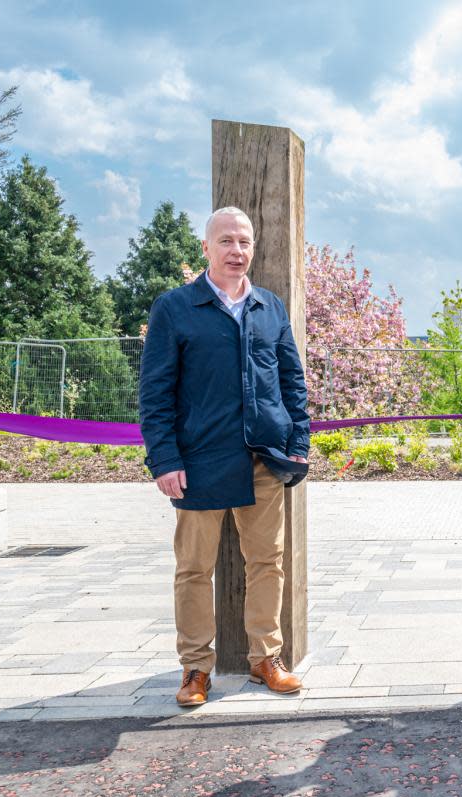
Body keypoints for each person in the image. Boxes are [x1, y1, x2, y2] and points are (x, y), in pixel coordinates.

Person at [139, 206, 311, 707]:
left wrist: (297, 445)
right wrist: (164, 459)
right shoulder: (175, 308)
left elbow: (291, 382)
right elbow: (154, 392)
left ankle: (266, 659)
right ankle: (195, 668)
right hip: (198, 463)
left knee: (267, 562)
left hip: (264, 460)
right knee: (194, 569)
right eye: (226, 242)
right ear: (206, 249)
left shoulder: (270, 307)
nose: (237, 251)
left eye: (244, 242)